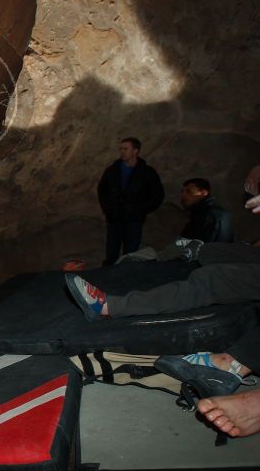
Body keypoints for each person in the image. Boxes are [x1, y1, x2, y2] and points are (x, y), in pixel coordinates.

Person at [67, 166, 260, 437]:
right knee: (210, 254)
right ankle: (195, 252)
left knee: (215, 278)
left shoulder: (215, 214)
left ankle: (230, 365)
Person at [97, 137, 165, 265]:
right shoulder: (112, 170)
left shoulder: (146, 172)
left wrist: (139, 210)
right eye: (121, 149)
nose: (122, 152)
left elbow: (157, 195)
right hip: (114, 218)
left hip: (134, 220)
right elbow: (102, 191)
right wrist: (108, 209)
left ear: (135, 151)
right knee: (111, 253)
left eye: (125, 149)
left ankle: (127, 280)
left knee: (130, 254)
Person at [179, 177, 233, 242]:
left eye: (189, 191)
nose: (184, 195)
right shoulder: (219, 213)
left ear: (204, 193)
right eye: (182, 191)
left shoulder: (205, 215)